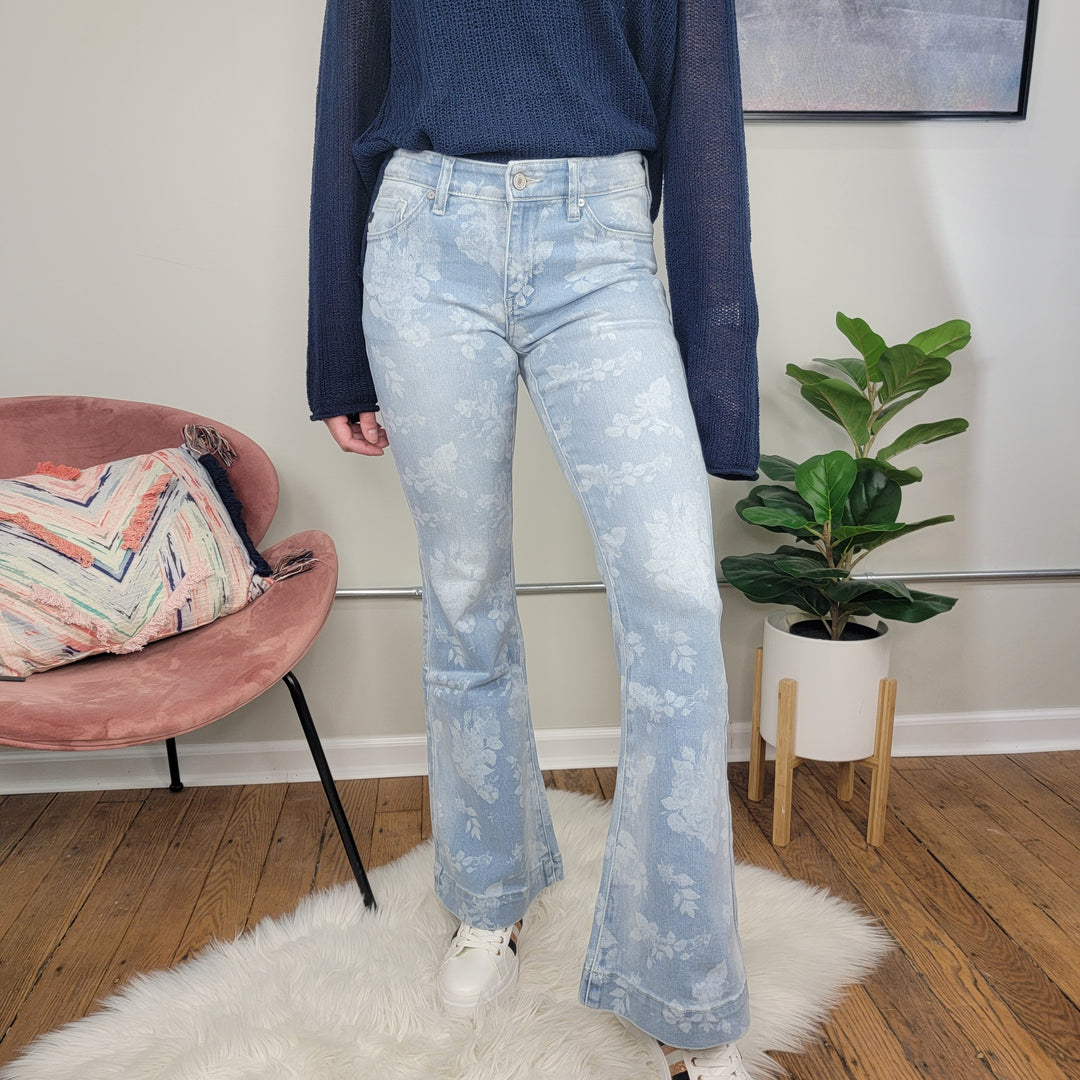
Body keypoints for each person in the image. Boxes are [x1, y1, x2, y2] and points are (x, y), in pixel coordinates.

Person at [307, 1, 760, 1077]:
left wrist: (722, 378)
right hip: (424, 235)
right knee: (465, 594)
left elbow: (703, 111)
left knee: (679, 609)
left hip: (598, 242)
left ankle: (682, 991)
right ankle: (489, 896)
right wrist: (336, 348)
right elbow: (350, 84)